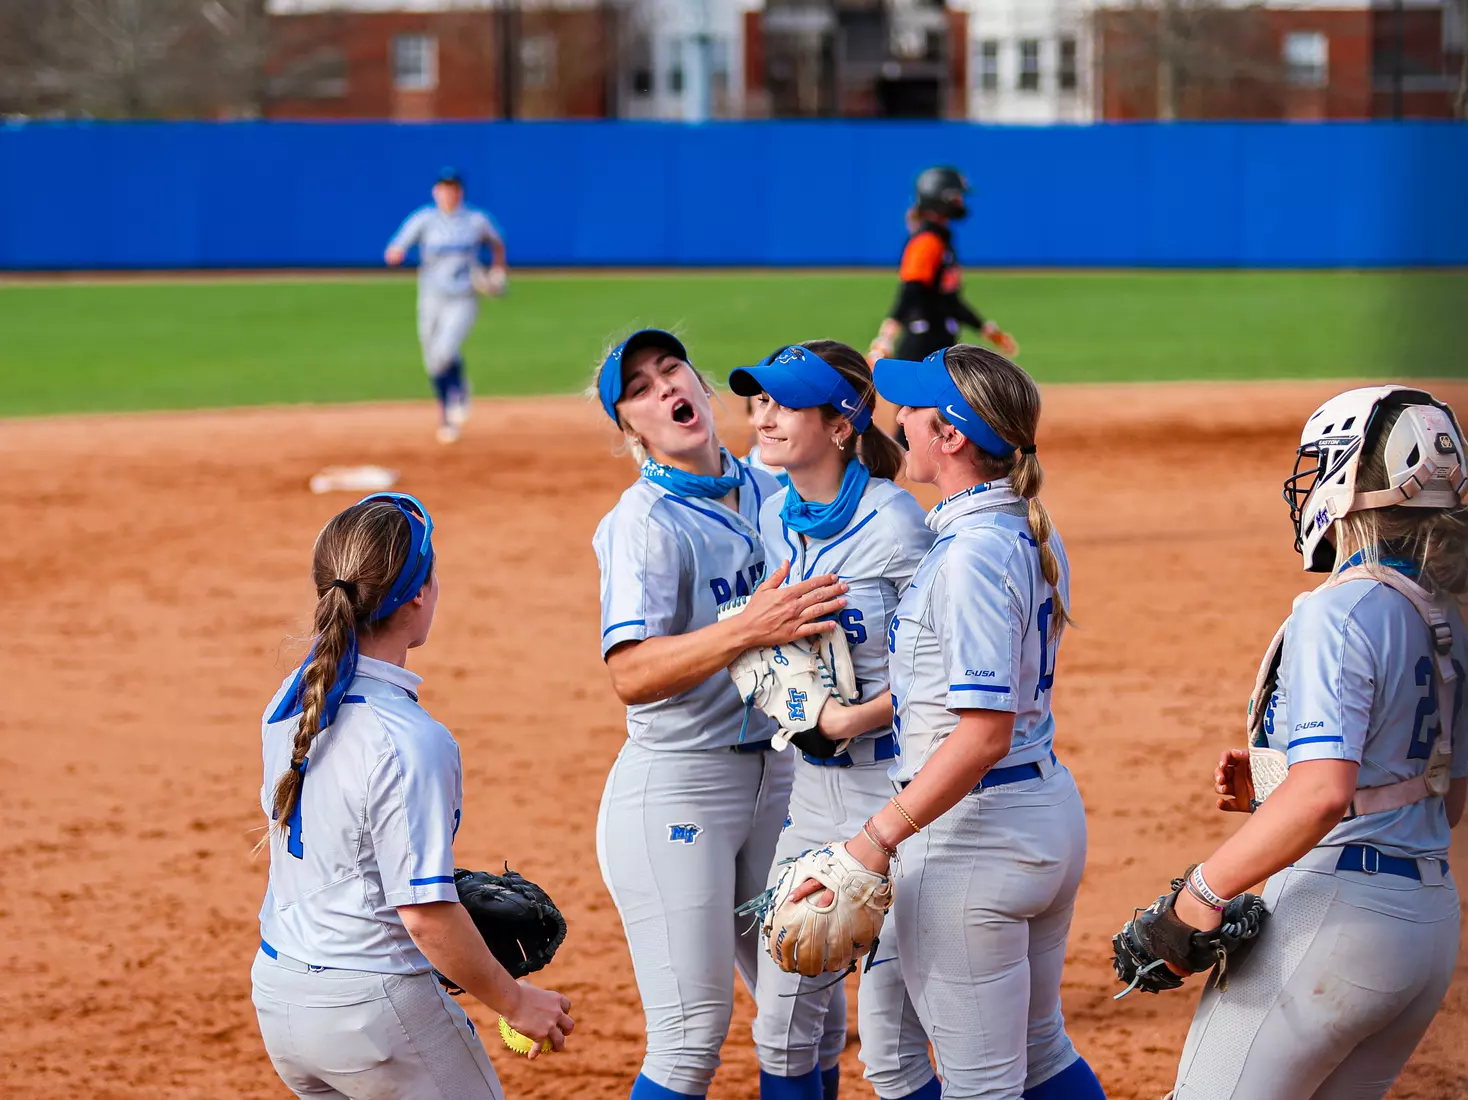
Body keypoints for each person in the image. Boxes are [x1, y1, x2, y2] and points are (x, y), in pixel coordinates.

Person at [804, 344, 1107, 1099]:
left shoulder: (971, 555)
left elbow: (982, 732)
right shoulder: (1022, 527)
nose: (896, 421)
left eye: (912, 410)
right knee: (1040, 1053)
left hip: (976, 840)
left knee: (983, 1086)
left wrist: (872, 840)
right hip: (1036, 816)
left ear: (952, 436)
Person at [1164, 386, 1468, 1100]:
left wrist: (1200, 894)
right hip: (1426, 932)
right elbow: (1442, 795)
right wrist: (1280, 789)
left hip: (1336, 920)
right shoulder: (1451, 616)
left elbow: (1326, 794)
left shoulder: (1340, 610)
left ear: (1352, 480)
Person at [591, 329, 851, 1100]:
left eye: (671, 369)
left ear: (702, 387)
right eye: (637, 388)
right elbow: (630, 674)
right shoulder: (645, 524)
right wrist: (750, 627)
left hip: (778, 781)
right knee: (690, 1038)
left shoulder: (772, 486)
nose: (662, 387)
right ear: (631, 429)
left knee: (812, 1016)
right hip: (680, 788)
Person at [251, 492, 573, 1100]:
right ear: (419, 593)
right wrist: (515, 1000)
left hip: (281, 997)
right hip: (375, 1013)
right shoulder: (412, 740)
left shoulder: (293, 698)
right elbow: (424, 916)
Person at [728, 341, 939, 1100]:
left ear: (843, 424)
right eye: (760, 402)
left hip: (897, 795)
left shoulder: (896, 525)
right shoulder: (776, 515)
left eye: (785, 403)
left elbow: (943, 676)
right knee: (780, 1019)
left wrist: (846, 720)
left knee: (889, 1047)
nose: (766, 416)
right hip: (811, 798)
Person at [385, 168, 507, 444]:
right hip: (431, 299)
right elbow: (397, 244)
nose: (448, 192)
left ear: (459, 192)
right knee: (432, 362)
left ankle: (451, 409)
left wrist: (497, 272)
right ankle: (451, 403)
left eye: (452, 188)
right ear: (435, 192)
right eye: (443, 187)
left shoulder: (475, 221)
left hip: (463, 299)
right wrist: (396, 251)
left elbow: (497, 242)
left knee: (443, 352)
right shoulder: (425, 220)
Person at [866, 167, 1018, 369]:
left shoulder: (941, 240)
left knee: (940, 399)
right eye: (956, 196)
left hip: (939, 340)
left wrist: (985, 329)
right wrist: (886, 336)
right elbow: (911, 290)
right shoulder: (927, 242)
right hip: (922, 343)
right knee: (917, 400)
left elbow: (949, 301)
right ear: (939, 197)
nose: (960, 202)